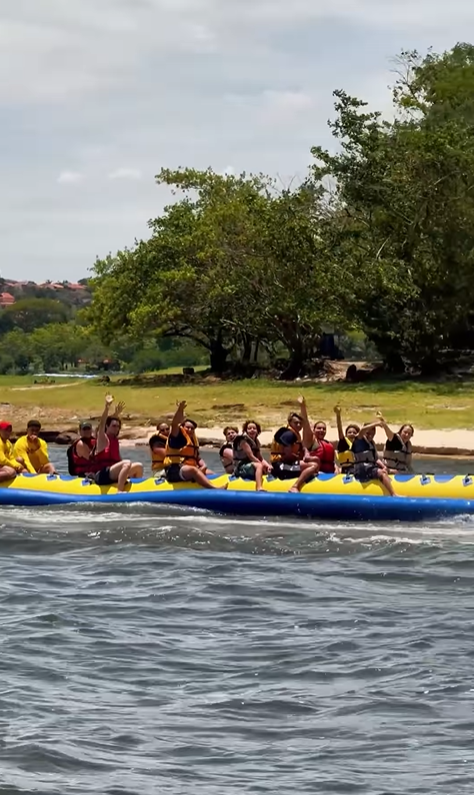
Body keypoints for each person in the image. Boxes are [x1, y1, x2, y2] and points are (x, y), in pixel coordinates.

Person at [164, 401, 227, 489]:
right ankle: (214, 489)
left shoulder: (192, 440)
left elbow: (197, 457)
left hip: (188, 469)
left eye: (192, 428)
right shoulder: (176, 437)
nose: (189, 430)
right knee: (193, 470)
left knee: (210, 473)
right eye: (187, 427)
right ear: (182, 427)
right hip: (174, 470)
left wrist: (203, 466)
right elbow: (175, 423)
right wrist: (180, 409)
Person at [94, 395, 144, 491]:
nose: (116, 428)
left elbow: (118, 459)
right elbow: (103, 423)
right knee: (127, 463)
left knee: (139, 466)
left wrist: (116, 413)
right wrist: (107, 407)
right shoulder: (102, 438)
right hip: (102, 474)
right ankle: (120, 491)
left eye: (118, 426)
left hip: (114, 472)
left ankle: (136, 490)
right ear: (107, 427)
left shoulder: (115, 440)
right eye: (113, 426)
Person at [270, 408, 319, 493]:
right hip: (280, 465)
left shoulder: (293, 433)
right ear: (290, 423)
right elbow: (288, 454)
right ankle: (295, 486)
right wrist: (301, 459)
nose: (299, 425)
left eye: (300, 423)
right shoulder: (288, 434)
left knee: (314, 462)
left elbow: (302, 447)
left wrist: (306, 454)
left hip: (285, 463)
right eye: (296, 423)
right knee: (313, 466)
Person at [352, 421, 396, 496]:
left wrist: (384, 466)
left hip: (371, 468)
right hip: (361, 469)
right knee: (381, 473)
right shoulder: (359, 440)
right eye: (368, 433)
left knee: (394, 471)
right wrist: (376, 424)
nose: (370, 436)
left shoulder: (372, 443)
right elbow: (362, 430)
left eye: (372, 434)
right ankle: (393, 494)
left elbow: (376, 459)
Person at [299, 397, 336, 474]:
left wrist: (336, 468)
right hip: (317, 474)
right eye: (319, 428)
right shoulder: (310, 442)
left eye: (324, 429)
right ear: (313, 430)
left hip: (330, 475)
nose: (321, 430)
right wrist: (302, 406)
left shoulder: (327, 443)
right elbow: (305, 424)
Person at [233, 420, 272, 491]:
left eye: (254, 428)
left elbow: (260, 458)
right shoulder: (243, 441)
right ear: (246, 431)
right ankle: (259, 487)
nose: (252, 430)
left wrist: (267, 465)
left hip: (251, 465)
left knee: (269, 466)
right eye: (249, 428)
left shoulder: (256, 442)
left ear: (257, 431)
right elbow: (251, 457)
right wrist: (262, 466)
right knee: (259, 466)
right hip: (240, 467)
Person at [334, 405, 360, 476]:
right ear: (346, 434)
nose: (352, 434)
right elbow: (340, 431)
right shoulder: (344, 444)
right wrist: (338, 415)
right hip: (346, 471)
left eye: (354, 433)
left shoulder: (359, 445)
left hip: (357, 470)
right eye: (349, 432)